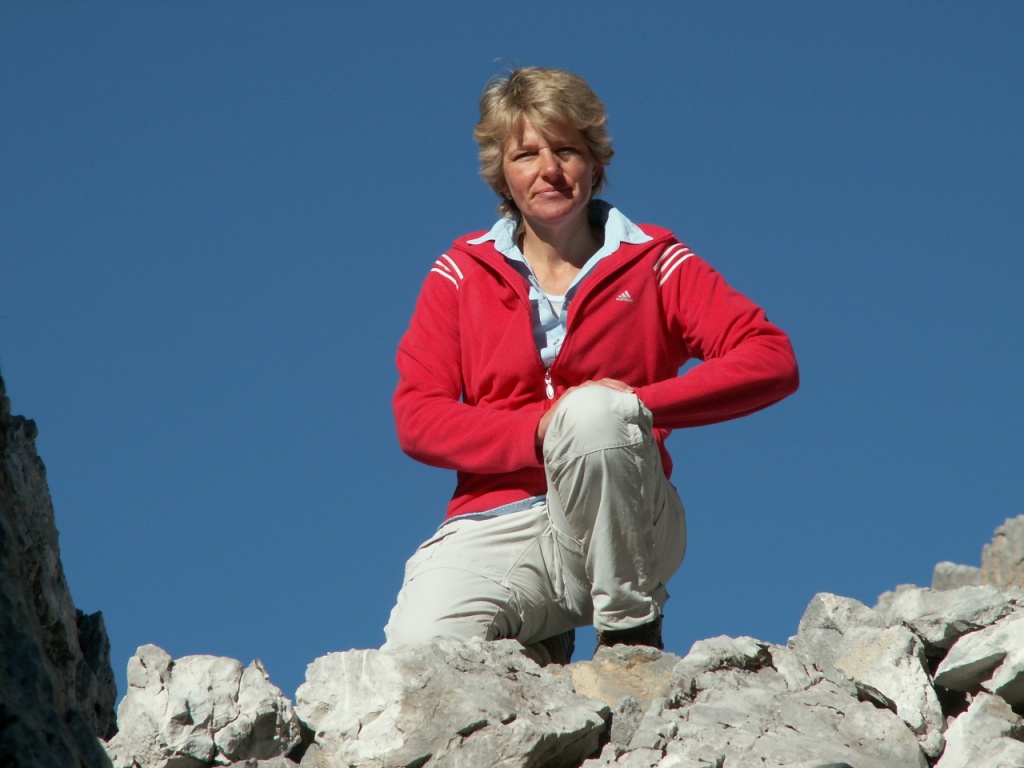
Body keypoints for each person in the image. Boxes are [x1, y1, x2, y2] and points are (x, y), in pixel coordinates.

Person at [384, 67, 798, 663]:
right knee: (418, 655)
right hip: (496, 523)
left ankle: (630, 638)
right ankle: (536, 636)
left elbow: (769, 356)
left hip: (627, 523)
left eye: (566, 151)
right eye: (526, 154)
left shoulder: (654, 261)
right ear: (502, 172)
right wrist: (540, 428)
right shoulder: (459, 274)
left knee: (595, 412)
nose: (548, 170)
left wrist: (635, 405)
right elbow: (418, 417)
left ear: (595, 162)